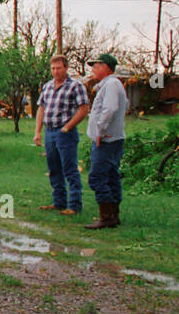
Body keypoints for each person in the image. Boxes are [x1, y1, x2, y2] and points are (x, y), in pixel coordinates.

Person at [33, 54, 89, 216]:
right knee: (54, 168)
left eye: (59, 68)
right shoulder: (47, 86)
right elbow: (41, 108)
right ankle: (58, 202)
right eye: (53, 68)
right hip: (50, 132)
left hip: (66, 133)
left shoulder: (75, 86)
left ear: (66, 68)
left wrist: (68, 126)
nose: (55, 71)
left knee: (70, 169)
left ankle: (74, 205)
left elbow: (84, 109)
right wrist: (37, 131)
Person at [84, 52, 130, 230]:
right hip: (114, 139)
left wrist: (100, 131)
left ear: (105, 67)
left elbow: (110, 109)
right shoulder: (114, 84)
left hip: (106, 141)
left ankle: (106, 216)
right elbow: (125, 105)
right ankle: (114, 215)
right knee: (111, 176)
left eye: (95, 66)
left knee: (97, 177)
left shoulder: (111, 84)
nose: (93, 69)